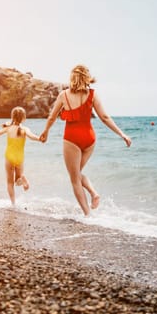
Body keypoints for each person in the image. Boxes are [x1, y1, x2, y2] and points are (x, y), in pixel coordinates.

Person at [39, 65, 132, 216]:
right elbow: (104, 117)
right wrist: (122, 134)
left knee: (74, 178)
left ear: (72, 78)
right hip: (90, 139)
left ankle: (87, 214)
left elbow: (52, 116)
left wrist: (45, 131)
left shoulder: (64, 95)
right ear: (86, 78)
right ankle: (94, 193)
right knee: (77, 173)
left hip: (72, 139)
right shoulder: (93, 95)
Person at [0, 106, 41, 205]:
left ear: (12, 117)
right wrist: (40, 138)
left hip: (9, 157)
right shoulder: (25, 129)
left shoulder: (8, 128)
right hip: (19, 157)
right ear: (24, 118)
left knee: (10, 183)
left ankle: (13, 204)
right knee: (17, 180)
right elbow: (32, 137)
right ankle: (22, 178)